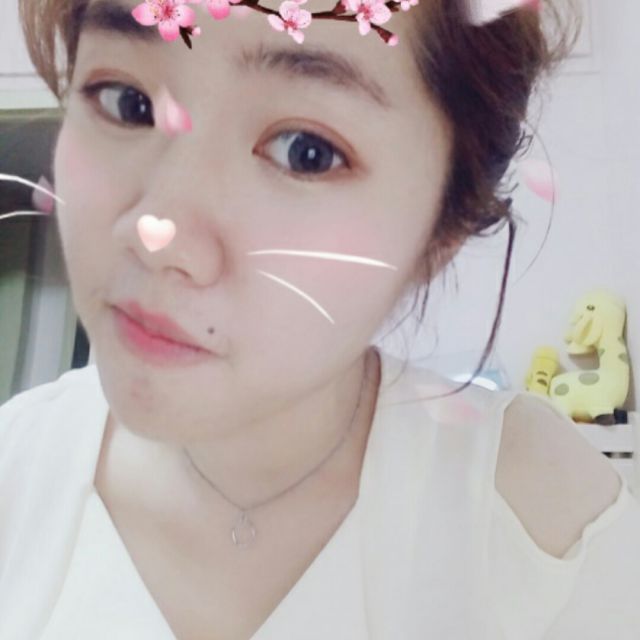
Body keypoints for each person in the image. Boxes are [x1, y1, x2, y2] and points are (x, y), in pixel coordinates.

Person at [2, 0, 640, 638]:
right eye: (126, 101)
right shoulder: (15, 475)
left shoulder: (542, 523)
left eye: (306, 153)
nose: (156, 237)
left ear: (440, 233)